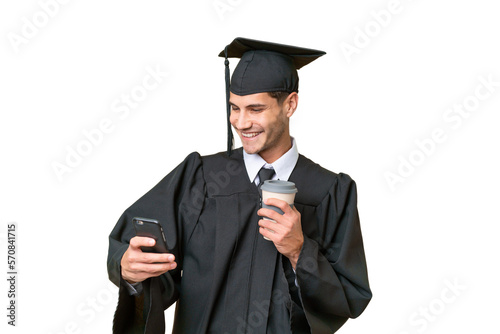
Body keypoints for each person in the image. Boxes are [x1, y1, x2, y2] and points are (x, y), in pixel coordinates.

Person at [107, 37, 372, 334]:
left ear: (290, 104)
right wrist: (128, 269)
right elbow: (150, 264)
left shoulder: (329, 191)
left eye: (255, 109)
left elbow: (348, 298)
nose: (241, 122)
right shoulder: (201, 178)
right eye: (235, 108)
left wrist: (300, 252)